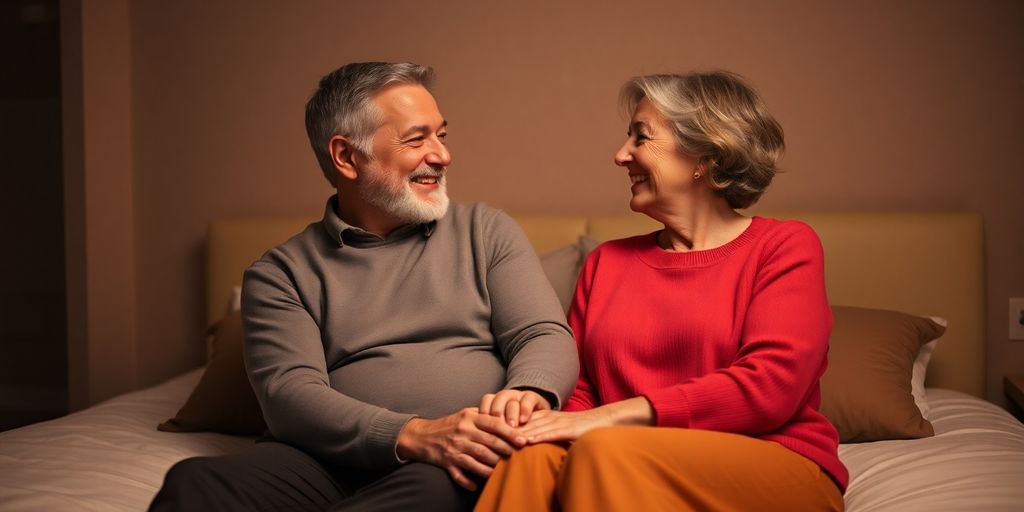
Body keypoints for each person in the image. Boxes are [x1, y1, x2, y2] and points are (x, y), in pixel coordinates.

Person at [149, 62, 579, 512]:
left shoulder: (485, 231)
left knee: (430, 495)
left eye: (442, 135)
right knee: (195, 482)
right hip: (318, 463)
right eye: (417, 139)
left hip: (449, 464)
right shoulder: (281, 273)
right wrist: (413, 434)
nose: (442, 156)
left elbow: (541, 334)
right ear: (346, 157)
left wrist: (525, 394)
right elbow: (289, 394)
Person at [475, 71, 848, 511]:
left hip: (775, 463)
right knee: (528, 459)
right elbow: (582, 391)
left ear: (704, 156)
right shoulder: (605, 264)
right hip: (621, 458)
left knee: (602, 450)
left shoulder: (783, 246)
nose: (620, 155)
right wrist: (530, 423)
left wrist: (612, 417)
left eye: (640, 137)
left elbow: (770, 387)